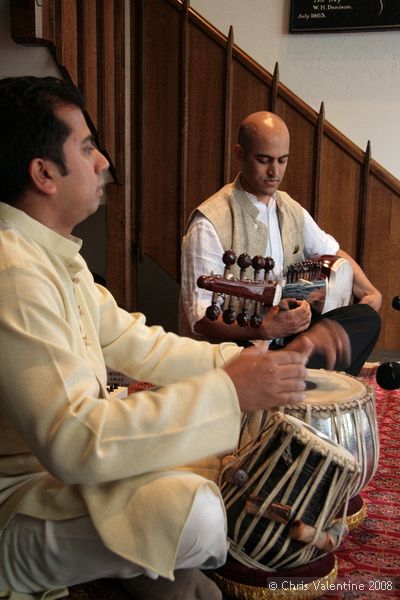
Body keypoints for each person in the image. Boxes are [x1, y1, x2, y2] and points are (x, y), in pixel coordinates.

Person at [0, 78, 351, 600]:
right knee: (200, 513)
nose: (103, 162)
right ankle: (122, 561)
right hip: (20, 501)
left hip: (65, 477)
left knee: (218, 460)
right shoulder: (14, 272)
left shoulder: (52, 258)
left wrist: (251, 366)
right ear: (43, 173)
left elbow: (143, 345)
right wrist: (229, 391)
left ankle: (142, 562)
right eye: (88, 147)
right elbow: (73, 442)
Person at [180, 111, 382, 375]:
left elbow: (332, 251)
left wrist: (369, 292)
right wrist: (264, 328)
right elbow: (200, 316)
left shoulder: (289, 208)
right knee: (299, 355)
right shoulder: (210, 221)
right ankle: (294, 376)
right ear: (240, 154)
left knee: (365, 320)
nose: (274, 172)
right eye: (263, 160)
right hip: (240, 347)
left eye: (282, 160)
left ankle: (288, 373)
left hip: (290, 341)